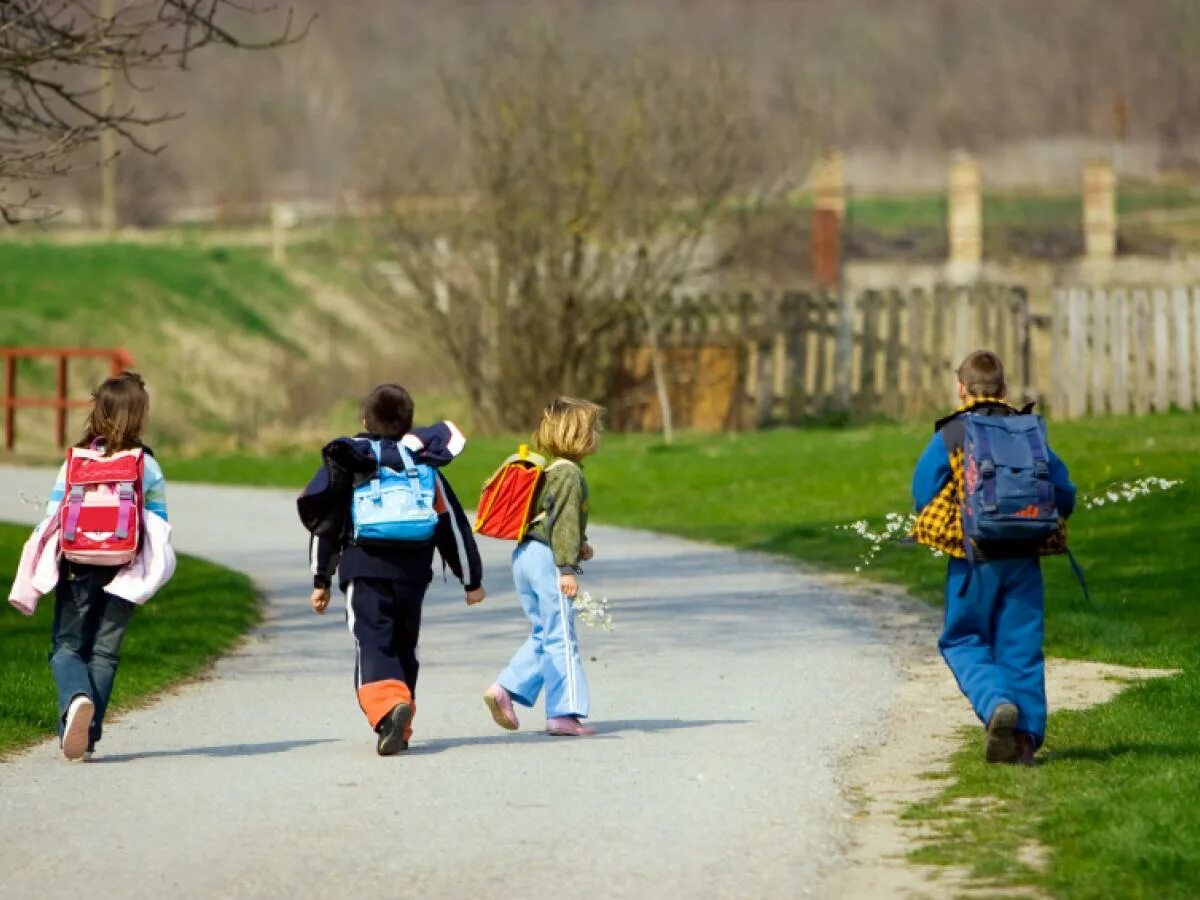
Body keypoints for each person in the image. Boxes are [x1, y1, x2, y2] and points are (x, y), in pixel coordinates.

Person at [298, 384, 484, 755]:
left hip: (364, 568)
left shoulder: (354, 462)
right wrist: (471, 579)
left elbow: (327, 524)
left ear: (365, 420)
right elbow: (453, 526)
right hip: (414, 572)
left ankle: (388, 710)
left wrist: (321, 579)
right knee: (403, 643)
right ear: (409, 423)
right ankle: (400, 720)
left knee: (372, 639)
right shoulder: (424, 462)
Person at [911, 350, 1076, 766]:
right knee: (1020, 647)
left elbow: (923, 491)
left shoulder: (952, 432)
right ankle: (1023, 742)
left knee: (963, 639)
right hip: (1024, 557)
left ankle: (995, 701)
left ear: (960, 389)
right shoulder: (1028, 428)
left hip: (974, 559)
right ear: (1003, 390)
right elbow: (1064, 492)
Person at [45, 371, 170, 761]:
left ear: (97, 411)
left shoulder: (76, 461)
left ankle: (76, 700)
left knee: (67, 648)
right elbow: (159, 522)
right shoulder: (145, 465)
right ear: (139, 416)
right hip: (125, 567)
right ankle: (89, 734)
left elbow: (54, 515)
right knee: (105, 653)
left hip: (78, 565)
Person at [484, 397, 601, 737]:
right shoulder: (569, 475)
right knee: (563, 637)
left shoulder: (549, 471)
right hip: (548, 561)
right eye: (592, 429)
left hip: (527, 556)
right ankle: (564, 712)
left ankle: (504, 689)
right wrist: (566, 567)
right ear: (576, 435)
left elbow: (546, 520)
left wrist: (579, 545)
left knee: (544, 633)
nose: (597, 436)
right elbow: (562, 523)